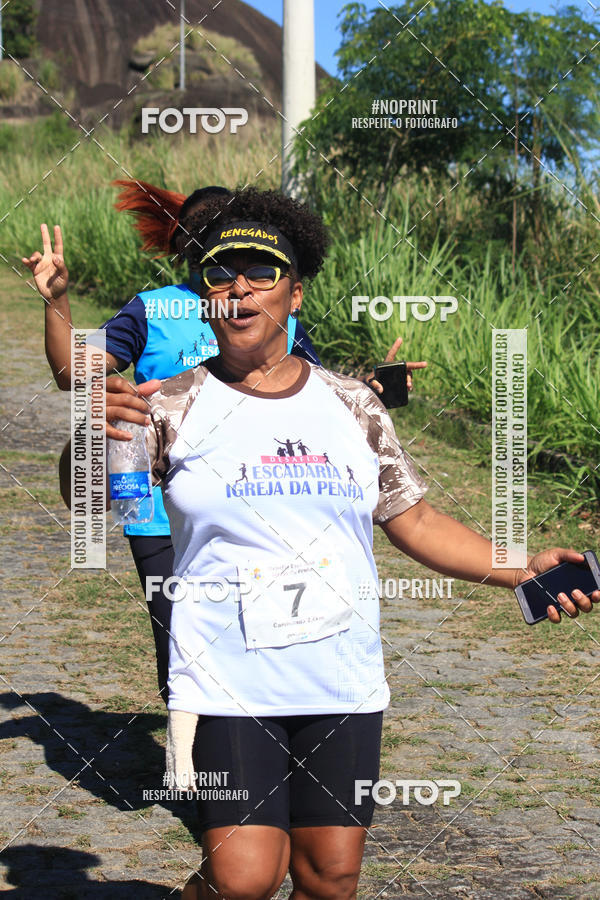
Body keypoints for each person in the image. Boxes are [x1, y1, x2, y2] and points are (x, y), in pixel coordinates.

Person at [83, 187, 598, 900]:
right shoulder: (167, 404)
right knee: (242, 879)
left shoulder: (353, 405)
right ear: (203, 299)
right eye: (219, 274)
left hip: (339, 676)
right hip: (226, 676)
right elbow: (88, 499)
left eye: (261, 273)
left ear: (294, 295)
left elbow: (415, 520)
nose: (239, 288)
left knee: (331, 877)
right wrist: (92, 433)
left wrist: (521, 568)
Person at [23, 182, 426, 706]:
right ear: (188, 244)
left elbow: (315, 394)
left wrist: (371, 389)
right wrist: (57, 302)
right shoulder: (151, 309)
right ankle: (200, 745)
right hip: (159, 513)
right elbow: (74, 372)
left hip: (253, 503)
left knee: (266, 644)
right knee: (183, 649)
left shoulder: (274, 313)